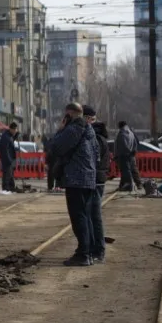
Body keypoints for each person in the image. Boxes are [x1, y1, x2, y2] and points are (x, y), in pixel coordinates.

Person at [48, 103, 100, 267]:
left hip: (76, 179)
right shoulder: (89, 130)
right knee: (85, 216)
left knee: (78, 217)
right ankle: (89, 251)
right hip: (88, 178)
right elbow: (97, 153)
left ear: (69, 114)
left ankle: (83, 254)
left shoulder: (73, 129)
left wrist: (61, 129)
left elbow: (56, 147)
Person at [87, 112, 110, 264]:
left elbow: (94, 160)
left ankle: (99, 249)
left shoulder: (96, 138)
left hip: (96, 180)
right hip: (98, 179)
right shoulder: (100, 137)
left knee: (95, 215)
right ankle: (96, 247)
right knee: (92, 215)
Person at [115, 120, 142, 192]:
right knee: (133, 169)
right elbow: (136, 142)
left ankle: (129, 186)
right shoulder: (131, 132)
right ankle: (138, 184)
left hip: (124, 155)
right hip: (132, 155)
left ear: (120, 126)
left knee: (126, 171)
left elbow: (121, 145)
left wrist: (117, 155)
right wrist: (134, 151)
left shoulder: (121, 134)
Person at [0, 122, 19, 191]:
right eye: (15, 130)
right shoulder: (6, 137)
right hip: (7, 159)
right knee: (7, 174)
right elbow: (5, 149)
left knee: (10, 174)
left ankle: (11, 187)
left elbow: (11, 141)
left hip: (10, 158)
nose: (16, 131)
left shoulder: (9, 136)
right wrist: (8, 159)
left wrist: (16, 136)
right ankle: (6, 188)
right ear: (11, 129)